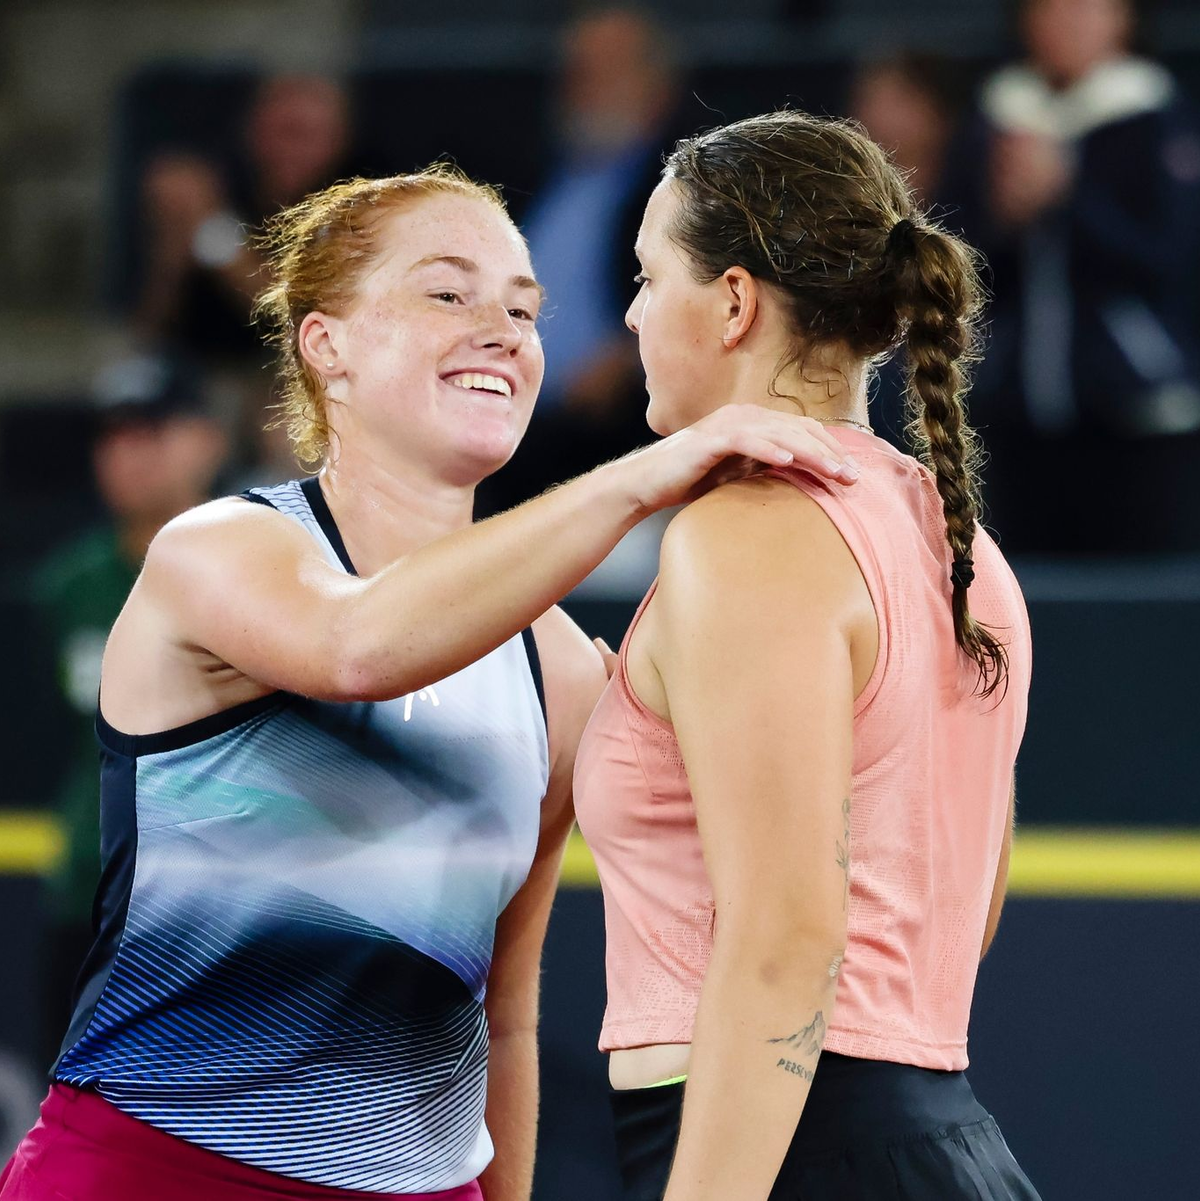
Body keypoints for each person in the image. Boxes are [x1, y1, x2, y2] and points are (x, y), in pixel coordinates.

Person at [1, 164, 859, 1201]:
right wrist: (646, 476)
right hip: (154, 1173)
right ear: (330, 347)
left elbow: (504, 1012)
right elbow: (357, 647)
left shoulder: (561, 672)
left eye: (524, 309)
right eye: (447, 292)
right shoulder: (216, 550)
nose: (500, 329)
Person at [573, 112, 1040, 1199]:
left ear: (734, 302)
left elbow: (787, 940)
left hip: (785, 1152)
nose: (634, 314)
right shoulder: (956, 538)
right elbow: (959, 905)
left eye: (647, 278)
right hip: (927, 1140)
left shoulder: (749, 537)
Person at [944, 0, 1200, 552]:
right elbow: (958, 265)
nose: (1068, 23)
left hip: (1137, 413)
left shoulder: (1156, 114)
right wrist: (1006, 220)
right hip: (1014, 415)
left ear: (1124, 19)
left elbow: (1169, 261)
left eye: (1088, 9)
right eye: (1050, 10)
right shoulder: (997, 117)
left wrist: (1065, 199)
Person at [31, 353, 227, 1071]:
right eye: (112, 436)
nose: (127, 454)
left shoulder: (261, 569)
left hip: (212, 904)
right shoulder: (67, 586)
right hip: (87, 892)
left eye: (151, 430)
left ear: (208, 438)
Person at [482, 7, 683, 516]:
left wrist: (626, 354)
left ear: (656, 84)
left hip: (608, 426)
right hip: (499, 407)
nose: (583, 84)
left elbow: (704, 297)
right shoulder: (527, 176)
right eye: (576, 69)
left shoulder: (687, 189)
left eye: (606, 69)